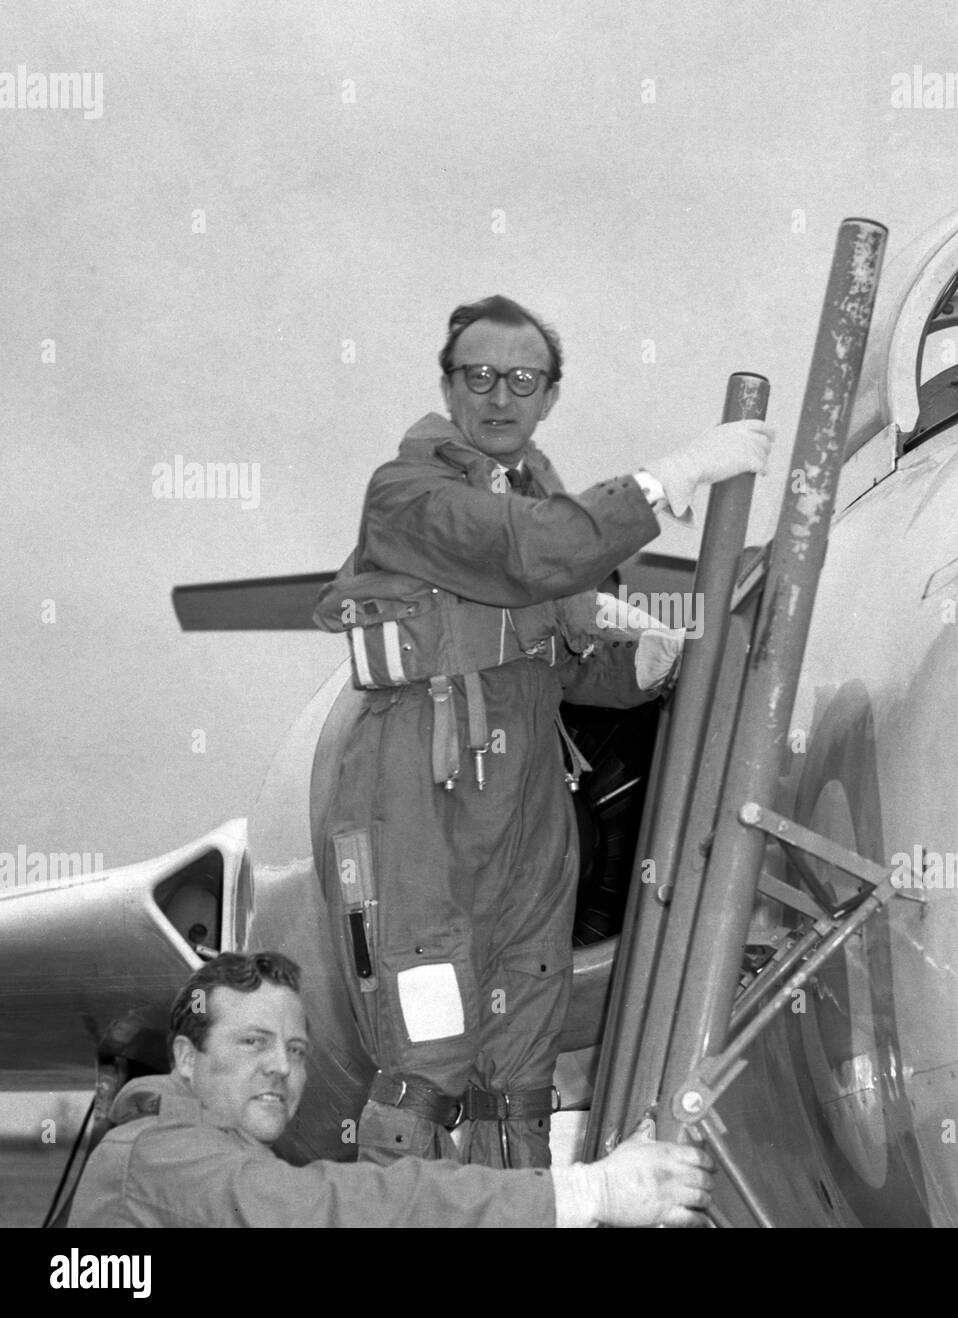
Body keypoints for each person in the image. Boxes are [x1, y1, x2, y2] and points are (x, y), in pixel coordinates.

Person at [313, 295, 772, 1170]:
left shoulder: (539, 503)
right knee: (425, 1054)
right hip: (420, 798)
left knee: (519, 1064)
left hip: (527, 808)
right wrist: (666, 481)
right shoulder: (408, 495)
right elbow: (530, 554)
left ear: (550, 395)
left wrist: (649, 662)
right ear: (447, 387)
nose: (499, 396)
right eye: (478, 376)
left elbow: (564, 663)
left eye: (523, 379)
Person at [68, 952, 715, 1228]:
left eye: (295, 1050)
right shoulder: (154, 1154)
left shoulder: (203, 1160)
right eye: (251, 1043)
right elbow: (335, 1210)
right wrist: (586, 1192)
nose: (280, 1069)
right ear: (185, 1057)